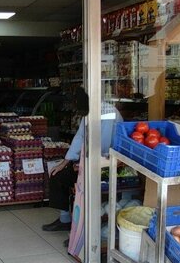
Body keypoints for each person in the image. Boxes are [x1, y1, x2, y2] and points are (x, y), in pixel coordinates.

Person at [42, 87, 122, 232]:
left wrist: (84, 163)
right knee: (57, 175)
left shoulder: (108, 112)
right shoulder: (90, 112)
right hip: (89, 161)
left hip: (107, 164)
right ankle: (64, 219)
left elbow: (102, 144)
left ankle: (83, 229)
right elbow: (80, 137)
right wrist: (65, 162)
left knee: (80, 181)